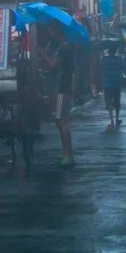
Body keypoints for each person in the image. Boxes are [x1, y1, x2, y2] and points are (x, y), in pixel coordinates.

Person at [39, 24, 75, 168]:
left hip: (62, 89)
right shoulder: (63, 47)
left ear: (57, 32)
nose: (49, 34)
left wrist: (42, 53)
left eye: (51, 31)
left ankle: (67, 155)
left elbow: (52, 64)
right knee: (62, 122)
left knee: (61, 122)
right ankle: (68, 155)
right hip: (63, 88)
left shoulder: (63, 48)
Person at [101, 47, 124, 130]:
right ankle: (117, 118)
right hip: (117, 83)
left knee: (109, 102)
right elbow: (122, 69)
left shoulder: (104, 59)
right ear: (115, 51)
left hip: (107, 83)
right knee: (117, 101)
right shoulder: (119, 59)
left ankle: (112, 120)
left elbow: (101, 69)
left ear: (108, 51)